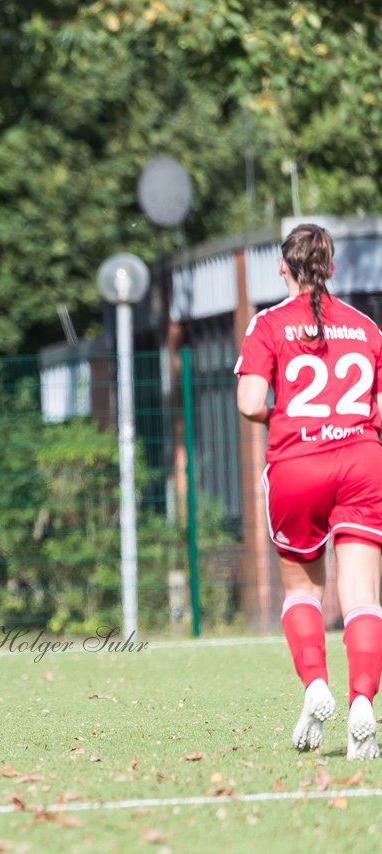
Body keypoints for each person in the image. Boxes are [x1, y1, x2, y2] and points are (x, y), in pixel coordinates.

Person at [235, 222, 382, 760]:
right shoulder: (367, 327)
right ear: (331, 267)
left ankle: (316, 685)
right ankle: (362, 700)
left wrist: (293, 419)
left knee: (302, 591)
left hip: (298, 464)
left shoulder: (267, 324)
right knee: (362, 596)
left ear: (283, 267)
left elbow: (251, 402)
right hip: (363, 463)